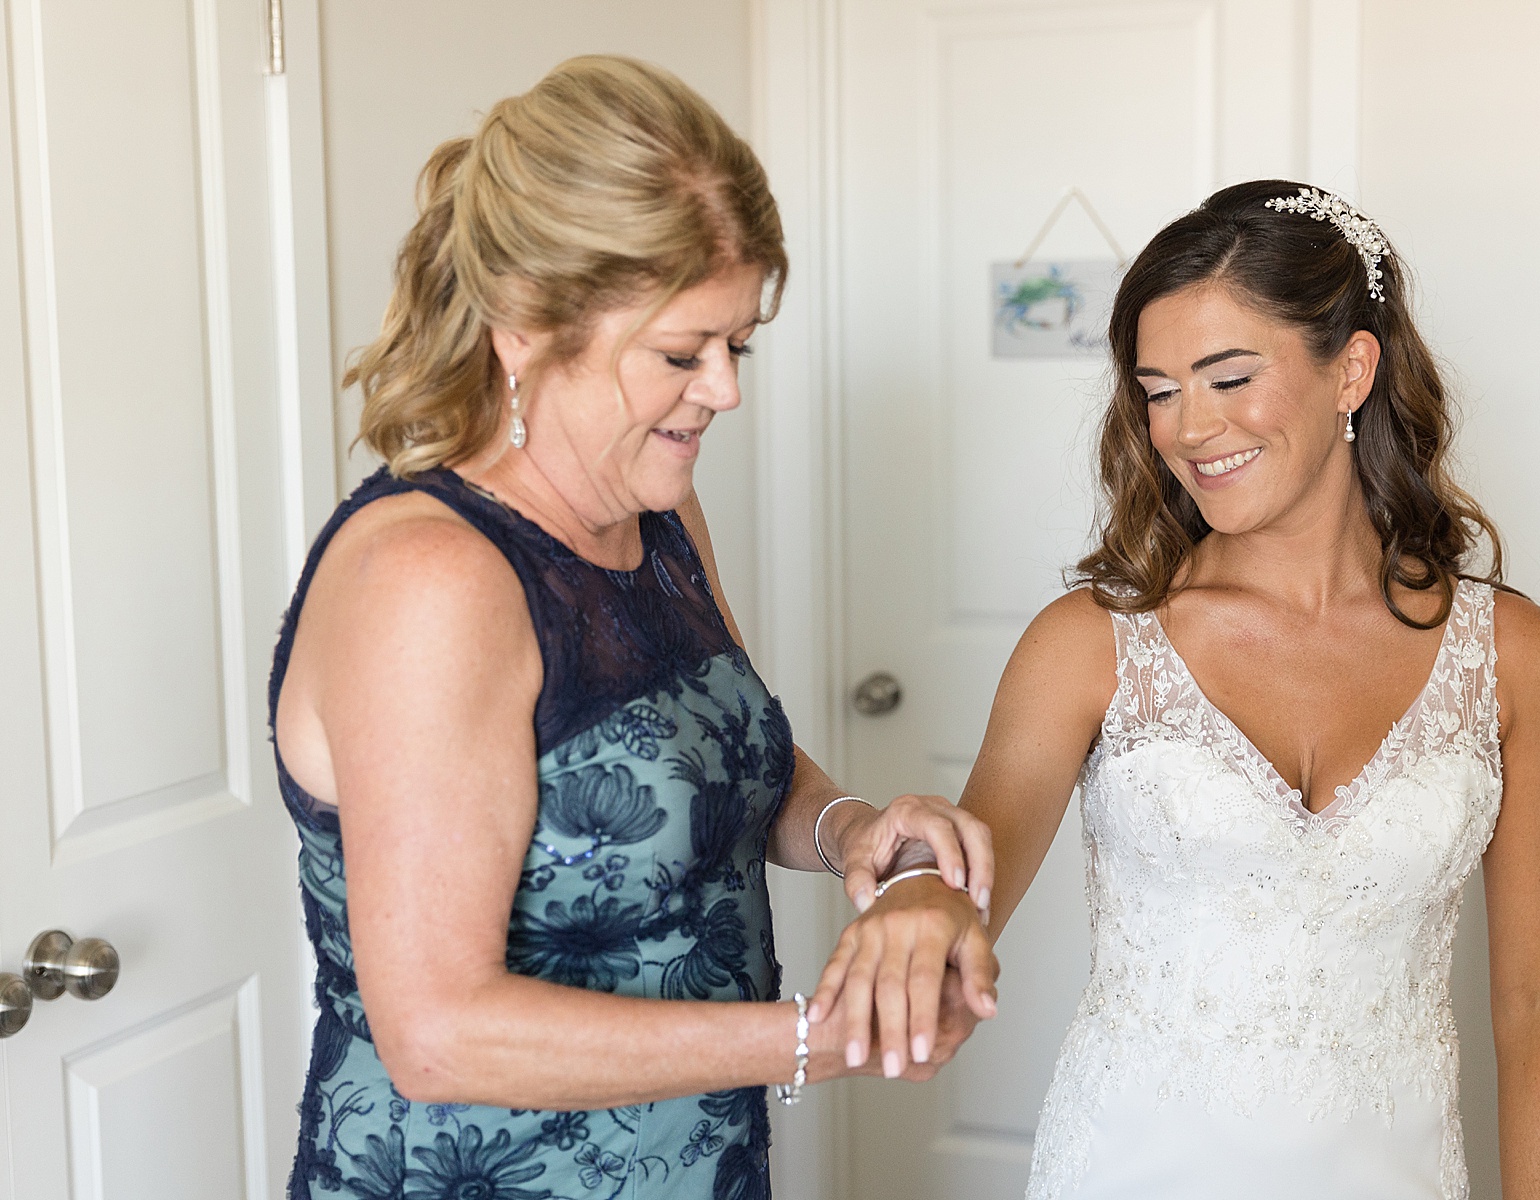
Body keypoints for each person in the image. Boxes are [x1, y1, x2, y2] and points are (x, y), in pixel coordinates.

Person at [269, 56, 995, 1199]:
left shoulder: (656, 515)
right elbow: (441, 1034)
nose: (726, 391)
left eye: (736, 346)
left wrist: (852, 828)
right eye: (681, 353)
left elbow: (709, 768)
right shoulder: (432, 580)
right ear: (523, 325)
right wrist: (821, 1037)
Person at [946, 181, 1540, 1198]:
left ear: (1353, 371)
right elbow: (959, 894)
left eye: (1228, 377)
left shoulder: (1514, 656)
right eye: (1158, 390)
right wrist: (905, 899)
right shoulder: (1089, 644)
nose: (1188, 428)